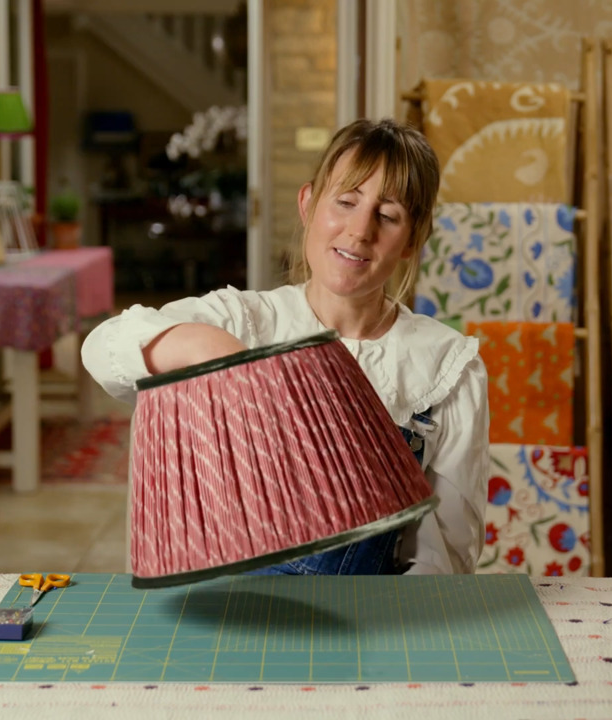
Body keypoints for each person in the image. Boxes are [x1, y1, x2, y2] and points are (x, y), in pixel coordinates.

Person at [81, 118, 489, 575]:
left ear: (413, 239)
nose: (359, 230)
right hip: (221, 611)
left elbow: (444, 551)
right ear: (308, 204)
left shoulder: (446, 366)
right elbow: (103, 349)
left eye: (387, 215)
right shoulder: (245, 319)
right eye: (346, 201)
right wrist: (210, 349)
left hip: (362, 621)